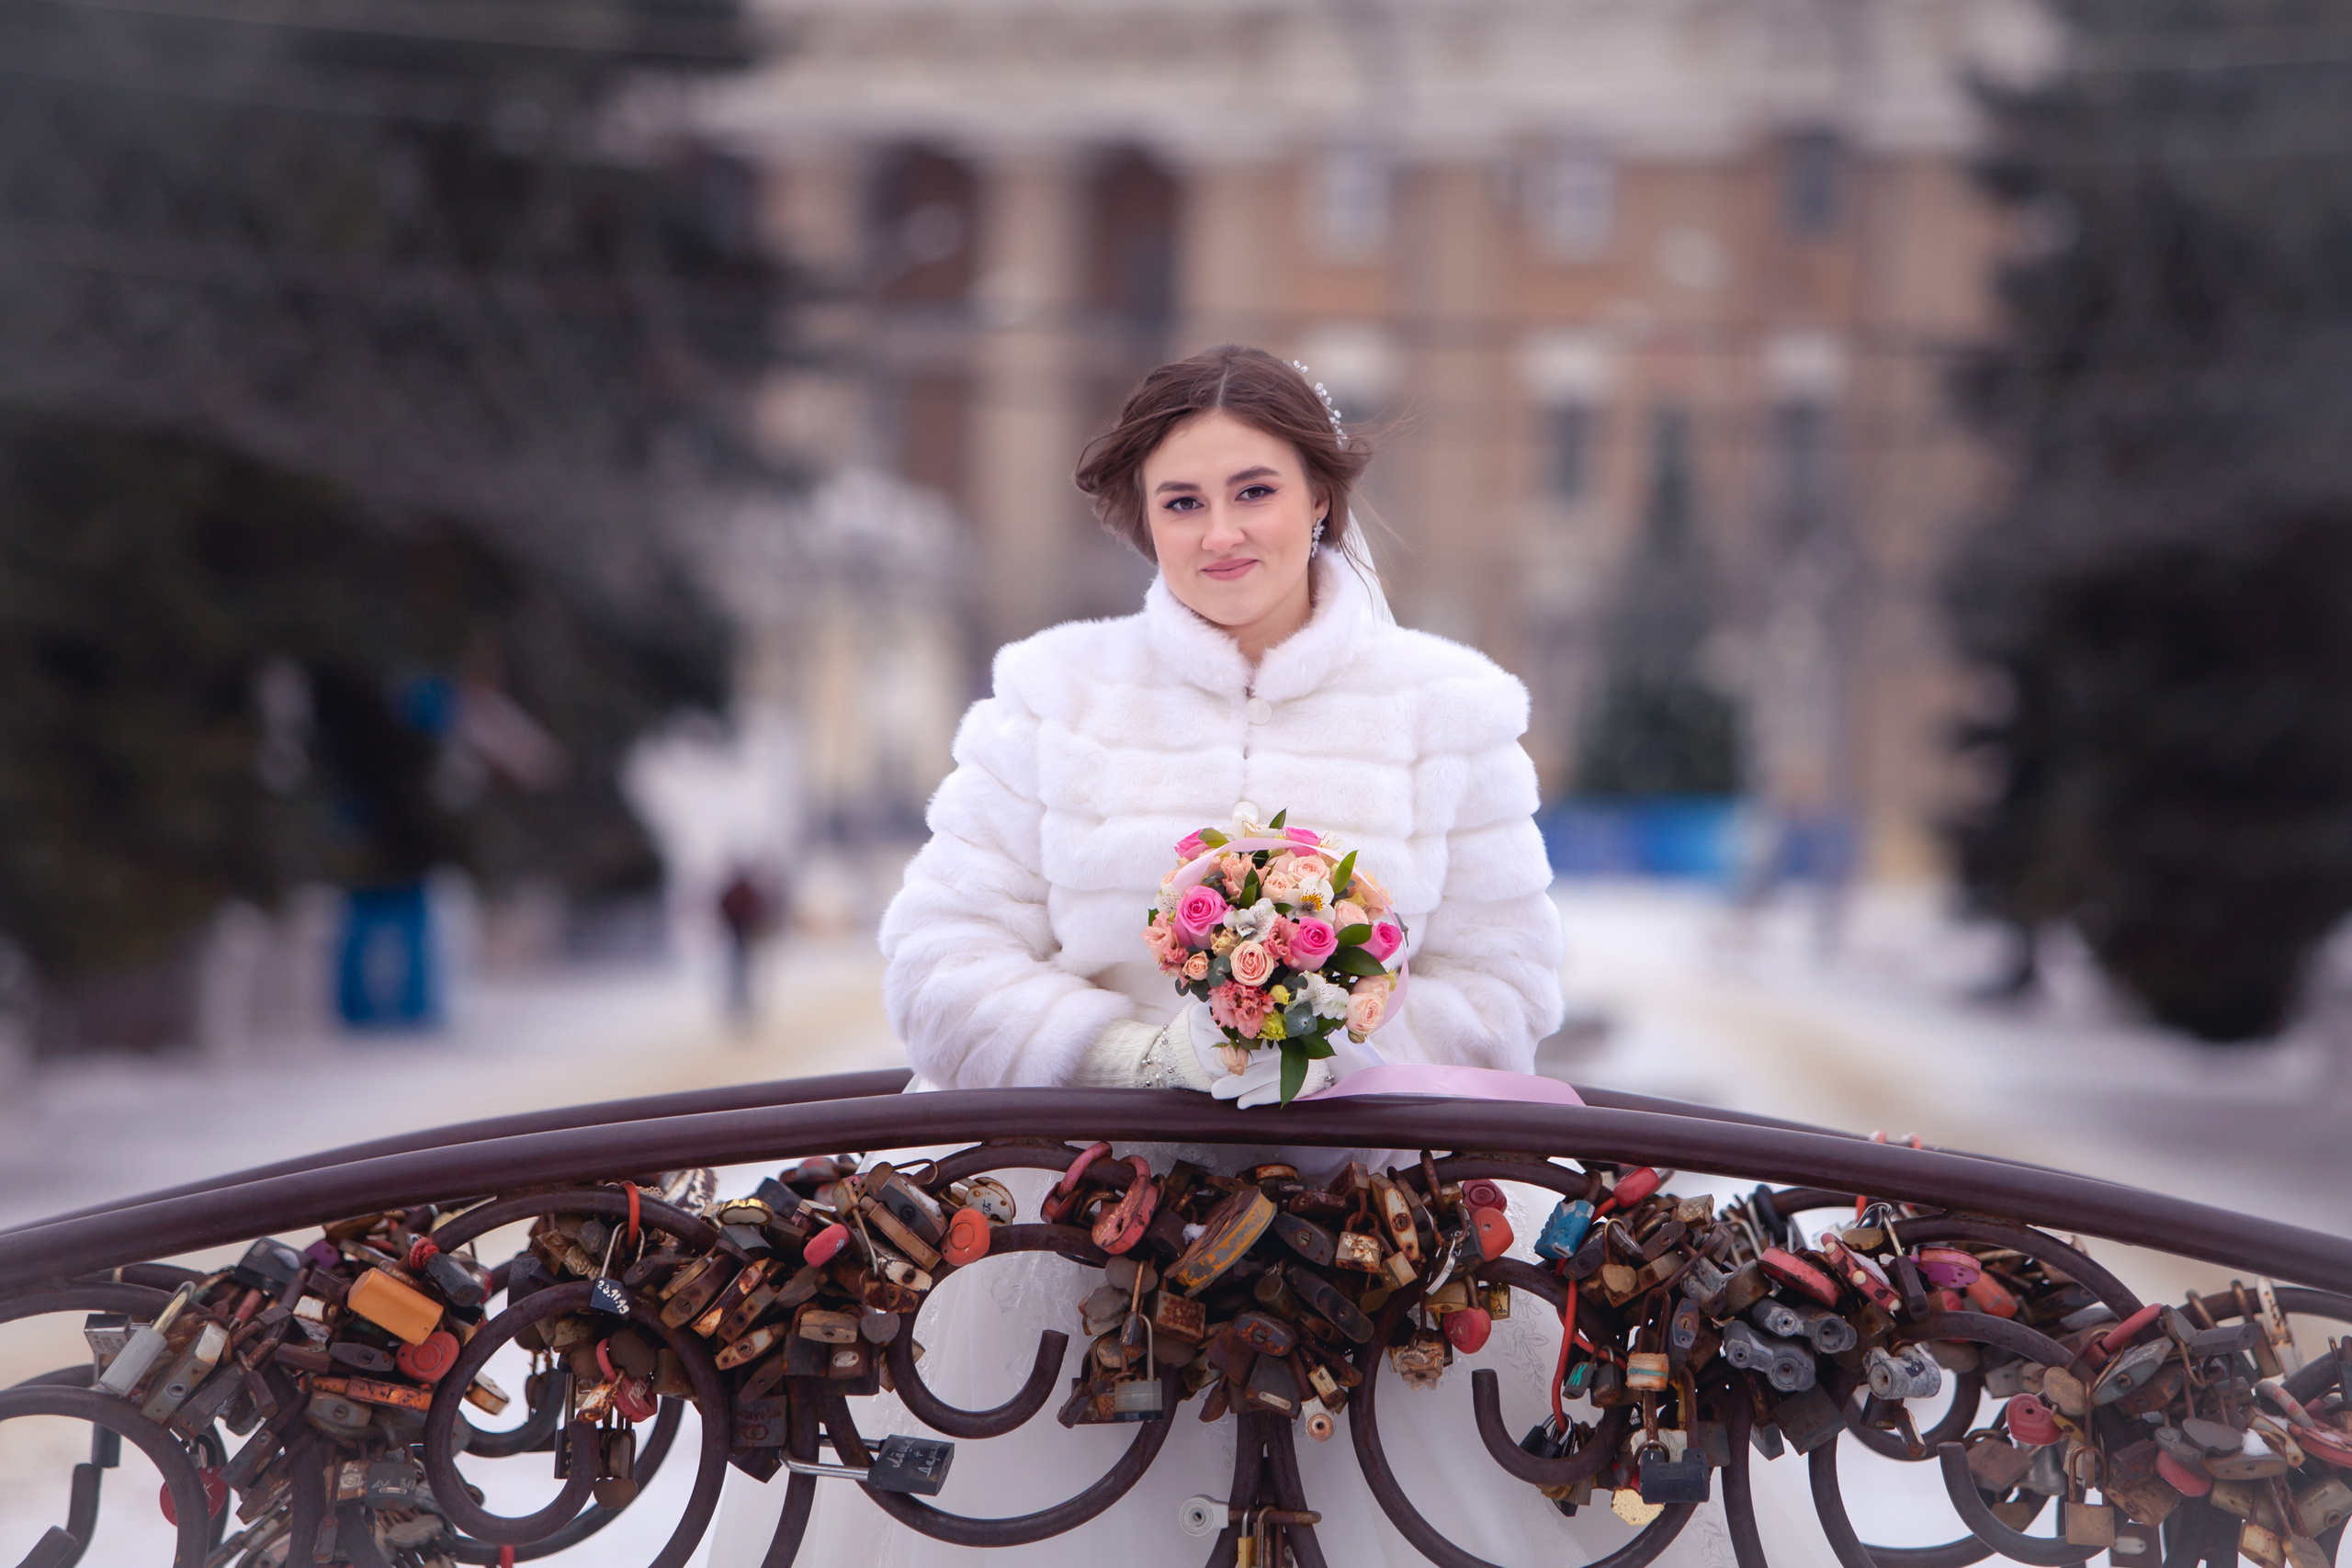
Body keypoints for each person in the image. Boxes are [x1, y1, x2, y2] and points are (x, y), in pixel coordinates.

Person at [707, 347, 1800, 1565]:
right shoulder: (1050, 696)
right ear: (1142, 522)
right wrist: (1131, 1052)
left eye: (1255, 490)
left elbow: (1506, 984)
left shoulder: (1449, 711)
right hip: (1068, 1248)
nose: (1222, 532)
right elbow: (938, 952)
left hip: (1371, 1259)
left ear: (1320, 496)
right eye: (1183, 503)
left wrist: (1329, 1047)